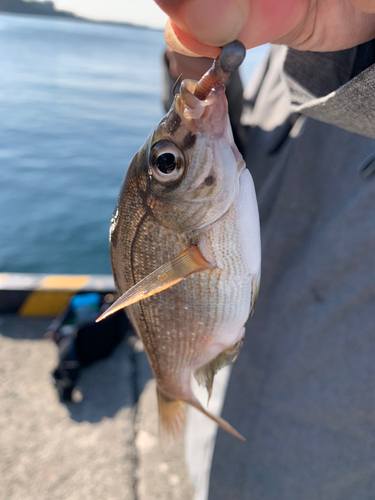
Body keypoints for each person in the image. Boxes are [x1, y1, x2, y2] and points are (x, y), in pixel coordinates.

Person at [155, 1, 375, 499]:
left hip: (336, 447)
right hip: (224, 419)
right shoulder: (278, 34)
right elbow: (220, 170)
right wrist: (196, 78)